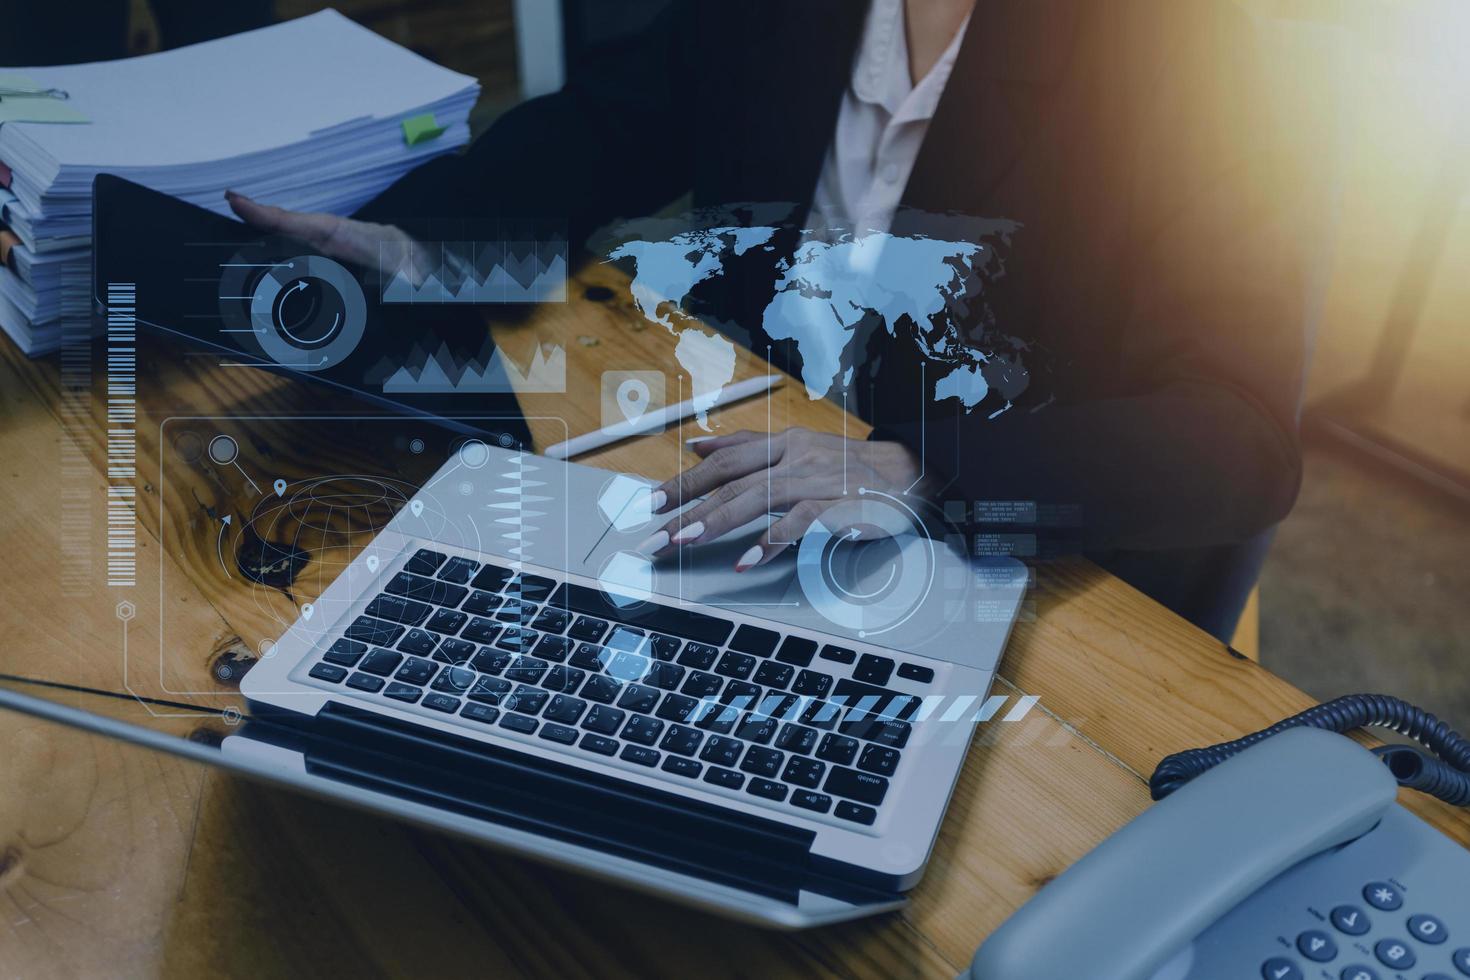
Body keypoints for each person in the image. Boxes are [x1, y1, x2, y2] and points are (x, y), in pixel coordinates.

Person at [228, 0, 1320, 640]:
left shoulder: (1209, 53)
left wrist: (917, 472)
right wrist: (423, 247)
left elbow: (1239, 437)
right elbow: (611, 125)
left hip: (1001, 561)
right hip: (727, 476)